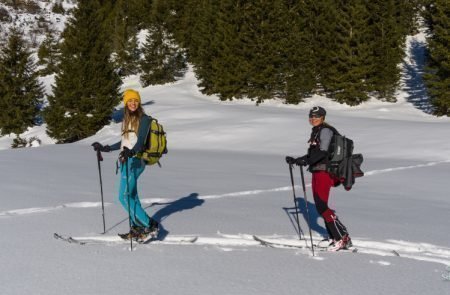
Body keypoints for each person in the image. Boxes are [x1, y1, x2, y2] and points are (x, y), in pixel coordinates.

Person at [92, 89, 159, 240]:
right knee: (132, 195)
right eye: (130, 101)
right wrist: (106, 148)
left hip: (135, 161)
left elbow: (140, 143)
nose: (133, 103)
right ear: (126, 103)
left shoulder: (144, 119)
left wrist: (132, 152)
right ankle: (137, 227)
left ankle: (150, 225)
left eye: (135, 100)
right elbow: (125, 142)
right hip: (125, 160)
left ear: (139, 102)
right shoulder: (127, 119)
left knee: (123, 196)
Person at [286, 106, 352, 251]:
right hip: (318, 171)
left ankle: (342, 238)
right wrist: (298, 160)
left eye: (316, 116)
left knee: (322, 206)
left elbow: (323, 152)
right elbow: (313, 154)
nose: (313, 119)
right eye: (311, 116)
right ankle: (336, 237)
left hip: (325, 172)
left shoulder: (325, 131)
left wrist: (306, 161)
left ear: (322, 117)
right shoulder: (317, 131)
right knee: (321, 206)